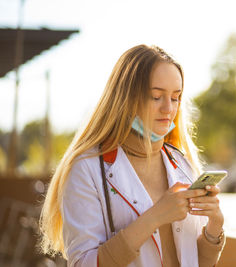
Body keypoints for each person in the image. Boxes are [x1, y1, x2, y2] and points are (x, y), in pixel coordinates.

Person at [39, 45, 225, 267]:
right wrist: (155, 217)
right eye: (156, 96)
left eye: (175, 98)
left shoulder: (182, 165)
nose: (168, 108)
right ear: (126, 99)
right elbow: (83, 263)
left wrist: (215, 227)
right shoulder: (86, 168)